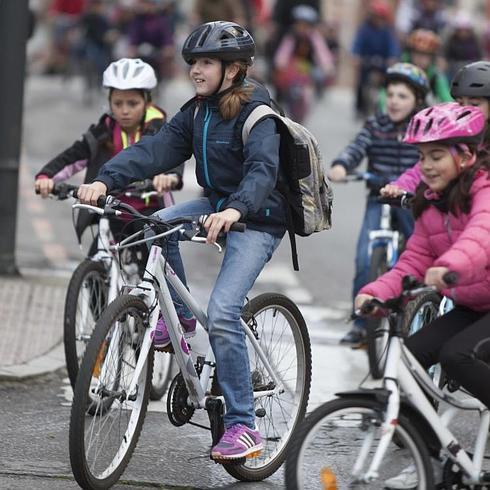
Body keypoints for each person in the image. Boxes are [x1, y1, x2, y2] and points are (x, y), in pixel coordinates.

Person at [77, 21, 286, 461]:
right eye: (193, 62)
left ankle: (244, 425)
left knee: (225, 310)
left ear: (233, 70)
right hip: (216, 203)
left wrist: (235, 210)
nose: (195, 70)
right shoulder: (197, 112)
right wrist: (104, 179)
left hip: (259, 216)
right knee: (157, 222)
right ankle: (182, 321)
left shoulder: (257, 114)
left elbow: (263, 171)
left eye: (206, 62)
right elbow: (154, 151)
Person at [355, 102, 490, 488]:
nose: (426, 166)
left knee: (456, 355)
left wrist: (452, 267)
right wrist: (377, 292)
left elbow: (481, 237)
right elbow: (411, 261)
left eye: (436, 156)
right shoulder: (432, 206)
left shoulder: (484, 191)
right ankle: (432, 460)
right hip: (473, 304)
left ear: (465, 156)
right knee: (410, 360)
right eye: (421, 157)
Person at [34, 58, 183, 250]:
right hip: (111, 208)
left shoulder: (160, 129)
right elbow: (73, 155)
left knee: (160, 264)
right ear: (109, 103)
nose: (125, 110)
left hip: (149, 213)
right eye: (118, 103)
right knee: (96, 257)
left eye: (132, 103)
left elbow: (173, 154)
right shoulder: (103, 131)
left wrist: (169, 177)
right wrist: (46, 177)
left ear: (147, 102)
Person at [328, 62, 429, 346]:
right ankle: (361, 324)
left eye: (403, 96)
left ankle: (419, 312)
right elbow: (356, 147)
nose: (395, 101)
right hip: (378, 199)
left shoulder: (423, 128)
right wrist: (341, 165)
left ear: (418, 101)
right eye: (391, 94)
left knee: (419, 255)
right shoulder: (375, 125)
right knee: (364, 258)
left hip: (411, 202)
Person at [382, 60, 490, 197]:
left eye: (474, 104)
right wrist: (400, 186)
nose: (465, 110)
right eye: (460, 103)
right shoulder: (453, 135)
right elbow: (421, 171)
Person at [272, 4, 335, 120]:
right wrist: (280, 62)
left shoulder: (314, 37)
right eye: (299, 24)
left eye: (305, 25)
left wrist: (327, 65)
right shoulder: (292, 36)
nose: (302, 28)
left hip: (308, 67)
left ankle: (315, 97)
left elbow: (322, 52)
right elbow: (284, 51)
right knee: (285, 85)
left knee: (314, 82)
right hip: (293, 67)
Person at [351, 0, 400, 117]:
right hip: (366, 62)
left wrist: (393, 58)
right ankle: (359, 106)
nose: (377, 20)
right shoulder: (364, 29)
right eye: (375, 17)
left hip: (382, 63)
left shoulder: (387, 31)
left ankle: (386, 106)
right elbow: (357, 44)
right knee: (361, 83)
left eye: (380, 17)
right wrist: (355, 56)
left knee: (387, 84)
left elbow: (393, 47)